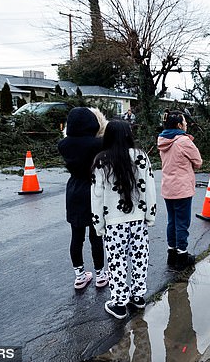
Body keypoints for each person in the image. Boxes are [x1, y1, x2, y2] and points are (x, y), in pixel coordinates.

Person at [91, 120, 156, 319]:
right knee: (139, 256)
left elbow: (97, 195)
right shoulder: (141, 157)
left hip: (113, 221)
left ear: (107, 136)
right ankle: (138, 296)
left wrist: (98, 224)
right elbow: (149, 188)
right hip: (138, 219)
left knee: (116, 260)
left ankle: (119, 303)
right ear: (129, 135)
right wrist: (150, 215)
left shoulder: (101, 161)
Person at [58, 107, 109, 290]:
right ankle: (101, 274)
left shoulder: (63, 145)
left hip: (73, 190)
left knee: (76, 236)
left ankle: (80, 275)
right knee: (96, 236)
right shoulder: (98, 144)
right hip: (93, 188)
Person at [157, 110, 202, 271]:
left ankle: (172, 253)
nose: (187, 124)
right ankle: (182, 255)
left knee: (172, 221)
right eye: (184, 122)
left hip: (168, 187)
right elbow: (198, 162)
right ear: (178, 125)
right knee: (182, 222)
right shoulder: (184, 141)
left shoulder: (162, 140)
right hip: (182, 188)